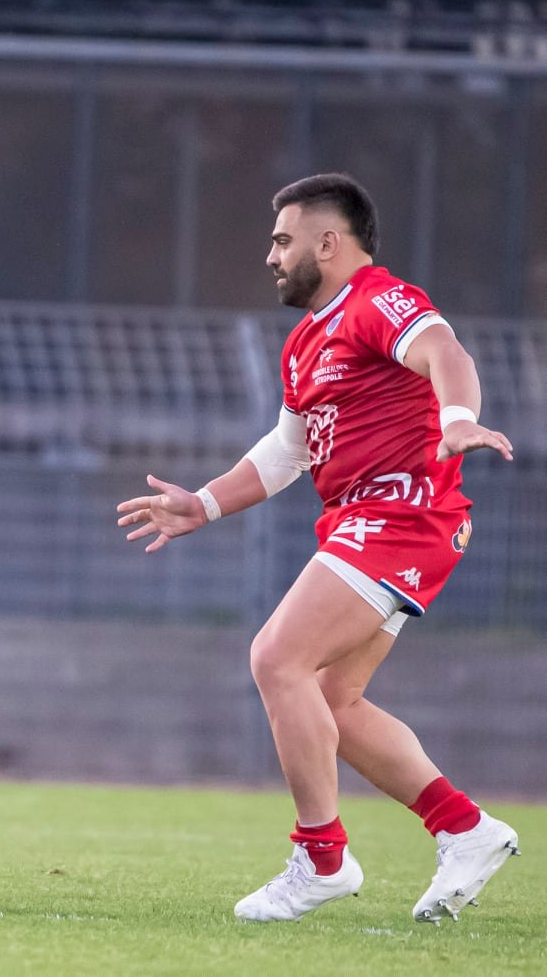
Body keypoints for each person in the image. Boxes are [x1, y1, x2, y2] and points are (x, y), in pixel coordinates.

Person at [116, 173, 520, 924]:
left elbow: (443, 349)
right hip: (370, 522)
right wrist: (201, 504)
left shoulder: (377, 300)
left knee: (276, 659)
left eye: (282, 240)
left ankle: (322, 857)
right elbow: (285, 451)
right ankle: (465, 829)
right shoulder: (307, 339)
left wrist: (459, 417)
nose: (271, 256)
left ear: (327, 243)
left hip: (402, 514)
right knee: (334, 700)